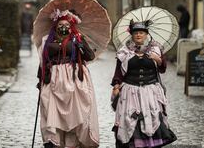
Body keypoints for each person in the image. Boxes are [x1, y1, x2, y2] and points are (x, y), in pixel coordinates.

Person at [37, 9, 99, 148]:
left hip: (74, 81)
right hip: (53, 80)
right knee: (50, 111)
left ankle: (72, 143)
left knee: (74, 114)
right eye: (60, 24)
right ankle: (54, 141)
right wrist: (39, 79)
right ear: (55, 26)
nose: (63, 27)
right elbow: (42, 61)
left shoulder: (77, 38)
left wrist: (81, 44)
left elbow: (90, 57)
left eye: (66, 24)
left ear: (71, 26)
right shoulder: (47, 40)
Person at [111, 20, 177, 148]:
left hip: (150, 92)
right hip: (130, 92)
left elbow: (162, 69)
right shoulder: (124, 52)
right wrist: (116, 86)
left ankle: (150, 144)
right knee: (130, 119)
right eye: (136, 33)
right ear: (132, 35)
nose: (138, 35)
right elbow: (118, 72)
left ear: (146, 34)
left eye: (141, 32)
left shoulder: (156, 49)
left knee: (152, 118)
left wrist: (158, 59)